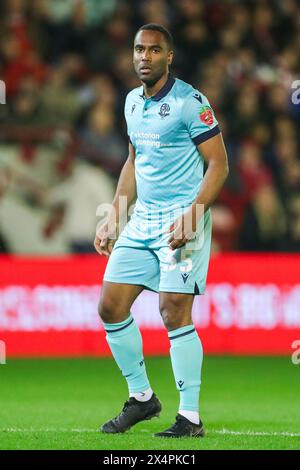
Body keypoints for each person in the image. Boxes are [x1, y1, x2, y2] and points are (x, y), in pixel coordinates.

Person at [94, 23, 228, 438]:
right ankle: (141, 398)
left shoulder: (191, 102)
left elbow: (219, 164)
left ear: (169, 57)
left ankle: (190, 417)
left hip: (181, 220)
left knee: (173, 311)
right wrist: (116, 213)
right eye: (139, 49)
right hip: (143, 220)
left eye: (154, 50)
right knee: (110, 306)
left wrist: (194, 215)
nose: (144, 57)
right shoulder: (133, 102)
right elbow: (133, 161)